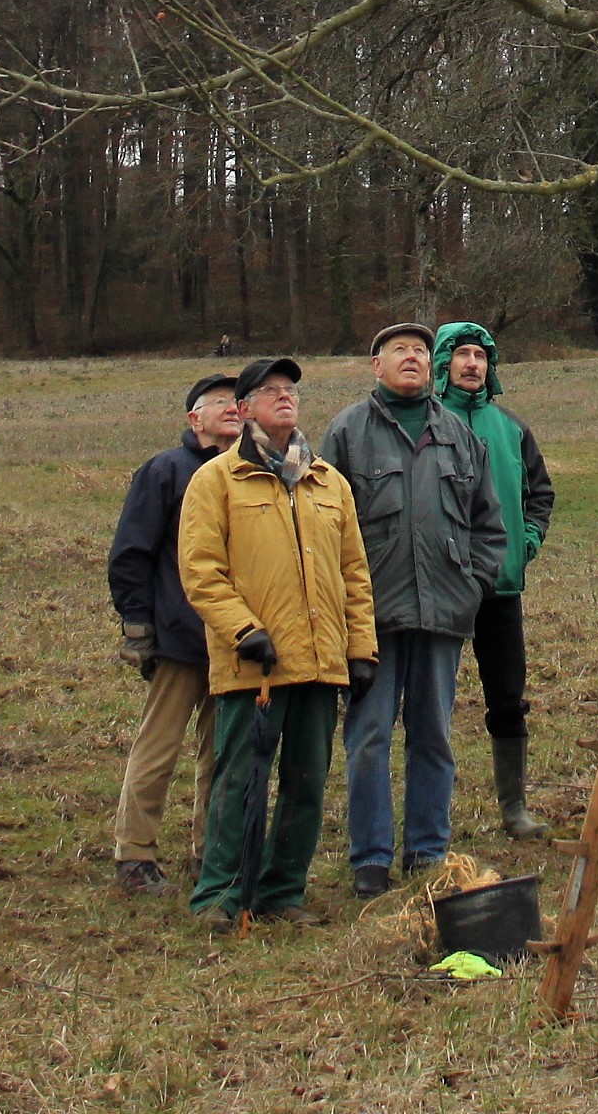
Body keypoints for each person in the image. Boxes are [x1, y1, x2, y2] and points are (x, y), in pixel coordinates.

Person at [175, 356, 380, 932]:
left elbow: (354, 572)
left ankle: (282, 892)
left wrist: (360, 648)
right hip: (255, 665)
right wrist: (244, 630)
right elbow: (201, 570)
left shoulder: (327, 482)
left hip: (322, 662)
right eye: (270, 390)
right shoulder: (215, 481)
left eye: (290, 389)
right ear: (243, 411)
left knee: (307, 783)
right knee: (239, 780)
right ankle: (219, 896)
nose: (285, 397)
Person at [319, 320, 502, 894]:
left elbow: (488, 526)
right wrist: (344, 608)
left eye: (420, 351)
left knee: (434, 736)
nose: (412, 359)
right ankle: (370, 859)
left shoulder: (460, 437)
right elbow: (323, 525)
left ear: (433, 365)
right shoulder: (347, 432)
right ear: (376, 366)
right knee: (368, 735)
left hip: (443, 614)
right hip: (371, 618)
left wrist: (472, 585)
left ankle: (428, 852)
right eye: (398, 350)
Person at [107, 370, 245, 893]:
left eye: (237, 401)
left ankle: (213, 852)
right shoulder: (166, 470)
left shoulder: (251, 472)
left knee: (224, 753)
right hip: (180, 638)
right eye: (219, 402)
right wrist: (138, 625)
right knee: (158, 747)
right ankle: (134, 855)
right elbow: (131, 553)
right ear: (195, 418)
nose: (232, 408)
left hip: (236, 643)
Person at [431, 321, 555, 838]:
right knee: (431, 702)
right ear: (443, 364)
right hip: (438, 587)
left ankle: (514, 809)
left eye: (480, 356)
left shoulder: (512, 428)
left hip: (500, 588)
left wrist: (523, 546)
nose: (472, 365)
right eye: (462, 355)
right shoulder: (424, 425)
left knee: (507, 697)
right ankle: (428, 814)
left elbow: (540, 495)